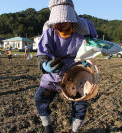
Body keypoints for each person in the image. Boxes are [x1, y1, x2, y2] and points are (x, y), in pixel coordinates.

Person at [34, 0, 98, 133]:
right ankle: (47, 127)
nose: (62, 23)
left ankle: (74, 130)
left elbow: (91, 46)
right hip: (55, 71)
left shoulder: (84, 29)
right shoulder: (49, 31)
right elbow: (43, 52)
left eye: (66, 20)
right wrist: (45, 64)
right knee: (40, 98)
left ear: (72, 18)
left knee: (80, 103)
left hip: (76, 73)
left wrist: (86, 58)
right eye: (59, 20)